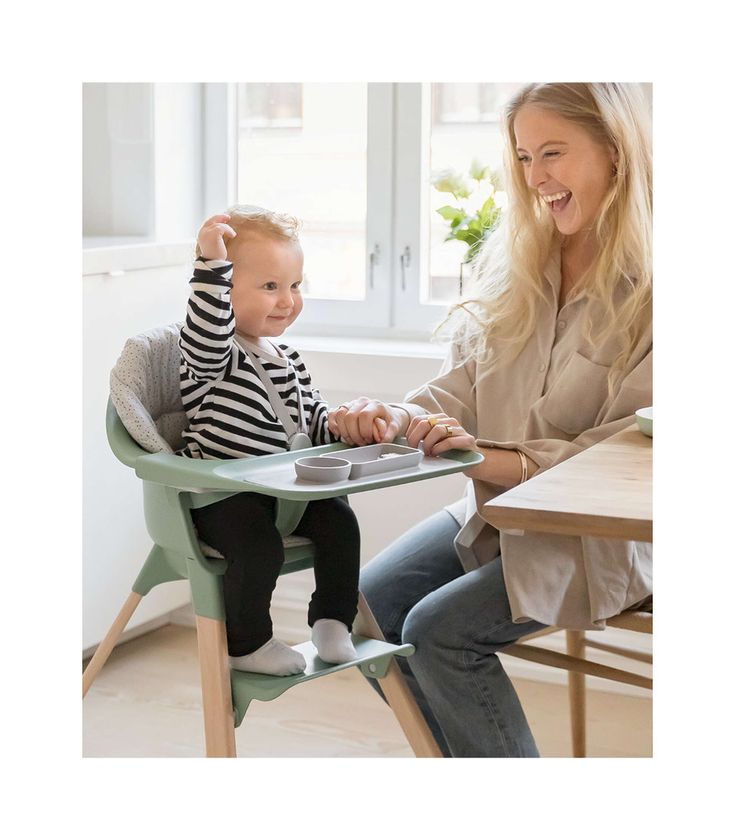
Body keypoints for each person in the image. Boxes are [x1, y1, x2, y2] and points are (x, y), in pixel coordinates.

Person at [328, 83, 652, 757]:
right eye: (524, 157)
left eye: (553, 153)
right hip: (499, 509)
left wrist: (474, 457)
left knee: (440, 631)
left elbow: (623, 455)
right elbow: (460, 391)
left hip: (608, 538)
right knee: (364, 607)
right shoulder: (518, 267)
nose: (536, 178)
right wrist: (397, 416)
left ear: (615, 152)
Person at [179, 206, 360, 676]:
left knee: (340, 521)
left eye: (295, 285)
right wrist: (210, 264)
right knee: (259, 549)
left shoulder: (287, 356)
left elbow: (309, 421)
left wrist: (339, 423)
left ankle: (332, 621)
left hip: (283, 491)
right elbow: (206, 322)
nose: (287, 301)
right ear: (225, 292)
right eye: (270, 287)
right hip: (223, 496)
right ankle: (249, 644)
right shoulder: (212, 353)